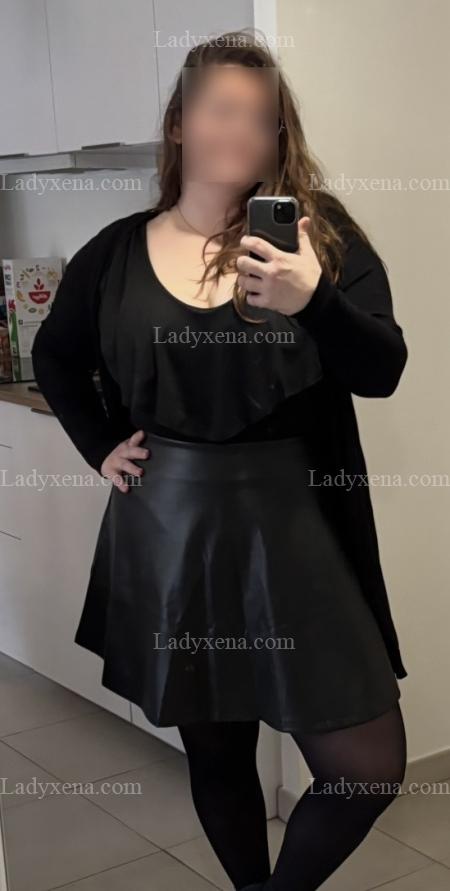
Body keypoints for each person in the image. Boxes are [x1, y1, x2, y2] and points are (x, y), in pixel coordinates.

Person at [31, 29, 408, 891]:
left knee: (367, 765)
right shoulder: (117, 250)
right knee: (217, 744)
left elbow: (382, 370)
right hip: (169, 525)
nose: (238, 130)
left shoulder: (319, 239)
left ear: (279, 135)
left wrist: (314, 301)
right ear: (179, 123)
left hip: (297, 527)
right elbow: (56, 355)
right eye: (219, 109)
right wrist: (99, 444)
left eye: (259, 117)